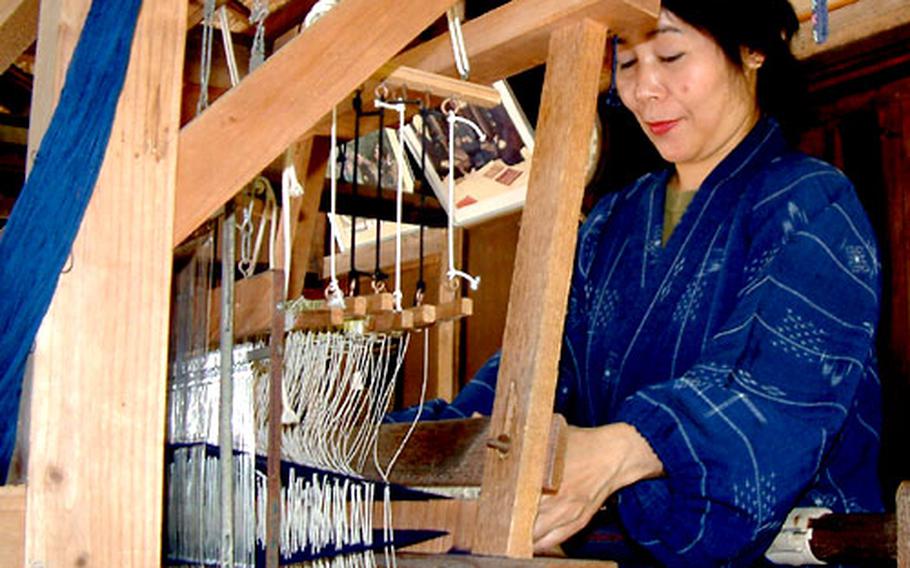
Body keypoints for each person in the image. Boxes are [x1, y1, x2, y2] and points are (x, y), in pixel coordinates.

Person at [388, 0, 883, 564]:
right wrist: (406, 445)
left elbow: (774, 390)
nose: (645, 89)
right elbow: (533, 374)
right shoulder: (611, 224)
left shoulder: (811, 203)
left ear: (752, 50)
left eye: (671, 55)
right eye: (626, 63)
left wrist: (624, 449)